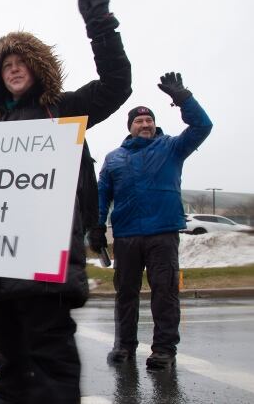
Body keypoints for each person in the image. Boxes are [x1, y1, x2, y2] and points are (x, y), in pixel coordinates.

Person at [0, 0, 132, 403]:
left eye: (21, 62)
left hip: (44, 271)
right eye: (5, 64)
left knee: (51, 371)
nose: (13, 67)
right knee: (9, 376)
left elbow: (117, 84)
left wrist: (100, 27)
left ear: (37, 68)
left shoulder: (64, 114)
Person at [91, 72, 212, 370]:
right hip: (127, 234)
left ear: (155, 124)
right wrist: (95, 226)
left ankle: (164, 350)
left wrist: (183, 98)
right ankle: (124, 346)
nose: (145, 124)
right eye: (138, 121)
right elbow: (101, 194)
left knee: (165, 293)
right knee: (126, 294)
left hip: (163, 233)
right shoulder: (114, 158)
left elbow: (202, 126)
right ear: (130, 128)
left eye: (149, 120)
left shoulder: (172, 147)